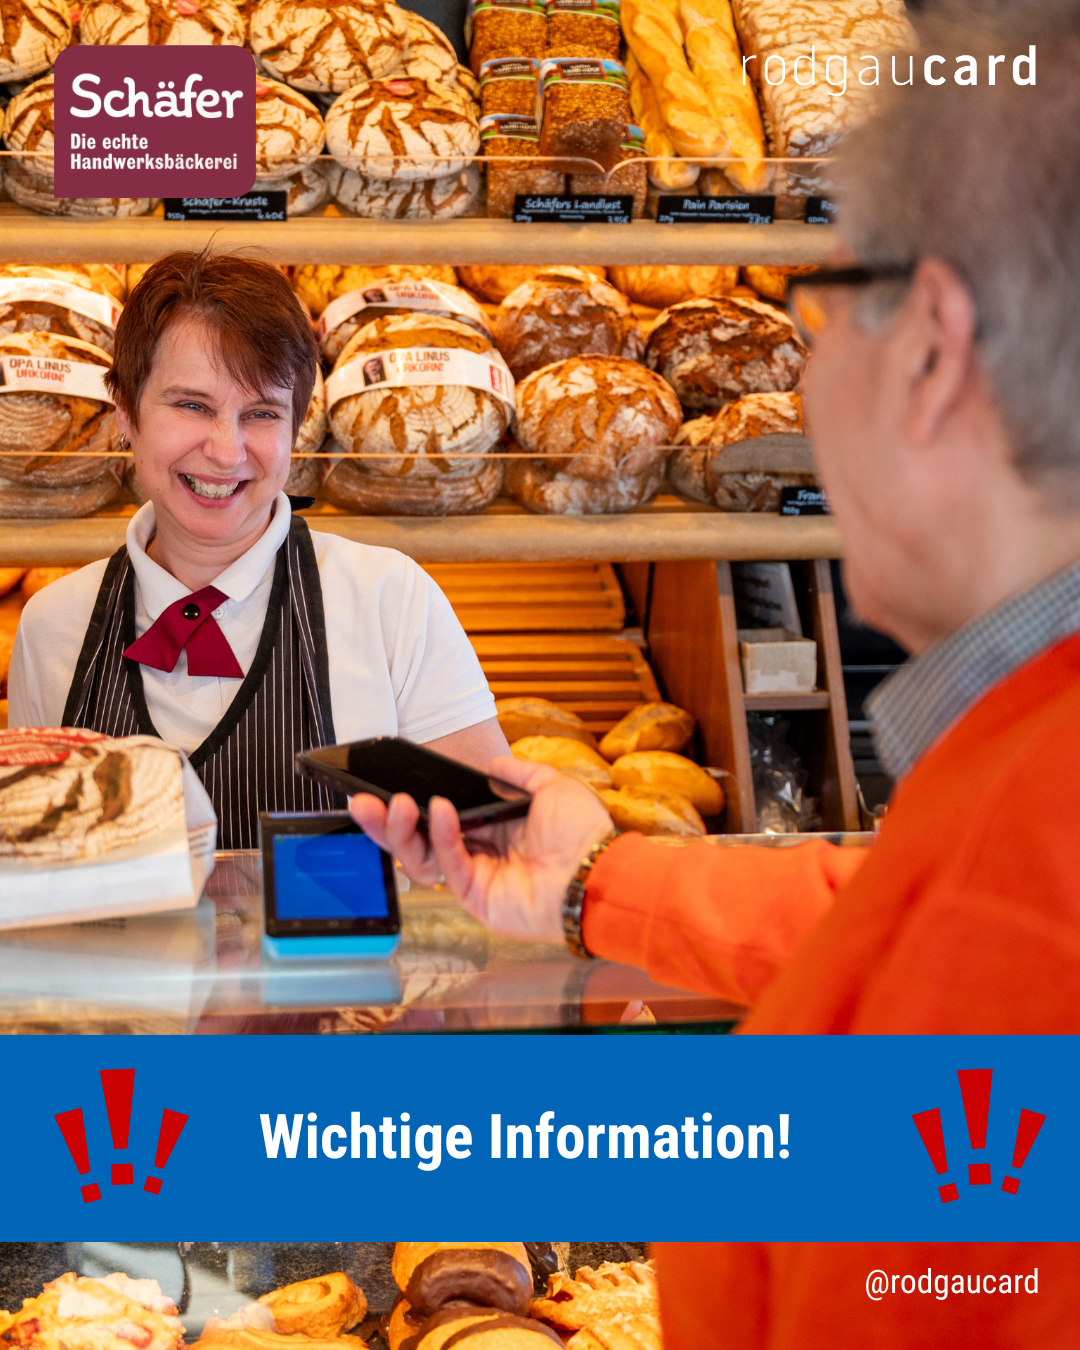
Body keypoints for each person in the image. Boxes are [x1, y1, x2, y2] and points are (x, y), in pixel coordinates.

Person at [351, 8, 1080, 1346]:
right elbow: (876, 918)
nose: (807, 368)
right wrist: (596, 880)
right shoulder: (1020, 763)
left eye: (820, 307)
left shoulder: (1032, 865)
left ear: (929, 350)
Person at [8, 252, 507, 848]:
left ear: (294, 432)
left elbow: (485, 847)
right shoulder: (52, 627)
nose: (226, 451)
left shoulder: (390, 601)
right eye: (192, 405)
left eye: (262, 413)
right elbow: (38, 862)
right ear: (127, 415)